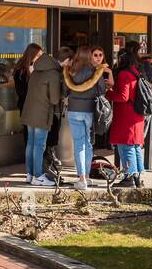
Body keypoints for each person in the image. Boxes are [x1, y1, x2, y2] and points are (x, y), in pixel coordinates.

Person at [63, 46, 106, 190]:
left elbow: (65, 91)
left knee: (79, 144)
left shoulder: (71, 70)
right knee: (87, 143)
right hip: (89, 110)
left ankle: (81, 178)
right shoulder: (95, 71)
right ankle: (86, 176)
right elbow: (101, 90)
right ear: (89, 56)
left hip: (74, 110)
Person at [106, 40, 147, 188]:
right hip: (136, 115)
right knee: (135, 146)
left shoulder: (124, 74)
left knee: (126, 146)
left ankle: (129, 177)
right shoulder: (136, 71)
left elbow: (123, 96)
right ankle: (137, 177)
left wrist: (108, 93)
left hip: (126, 116)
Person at [20, 48, 62, 187]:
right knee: (39, 145)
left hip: (29, 112)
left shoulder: (35, 71)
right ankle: (38, 176)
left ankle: (30, 174)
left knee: (31, 144)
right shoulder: (53, 74)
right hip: (42, 113)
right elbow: (55, 99)